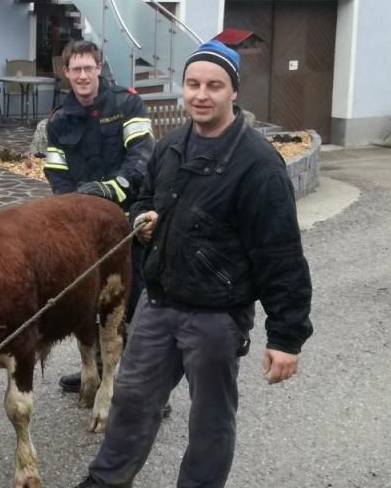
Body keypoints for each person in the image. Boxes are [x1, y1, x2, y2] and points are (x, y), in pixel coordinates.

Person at [70, 40, 314, 488]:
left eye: (214, 86)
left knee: (210, 420)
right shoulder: (169, 147)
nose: (201, 95)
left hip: (216, 317)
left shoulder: (259, 164)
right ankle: (106, 481)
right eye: (193, 84)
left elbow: (281, 256)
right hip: (158, 304)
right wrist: (141, 220)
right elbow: (144, 197)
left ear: (233, 92)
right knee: (131, 401)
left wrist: (287, 337)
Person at [43, 40, 153, 394]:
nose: (82, 75)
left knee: (134, 303)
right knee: (90, 301)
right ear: (66, 72)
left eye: (88, 68)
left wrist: (109, 191)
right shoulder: (58, 120)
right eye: (75, 69)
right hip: (85, 228)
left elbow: (141, 159)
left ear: (99, 68)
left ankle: (141, 386)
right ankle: (97, 369)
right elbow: (57, 174)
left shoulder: (128, 104)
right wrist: (73, 210)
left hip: (129, 219)